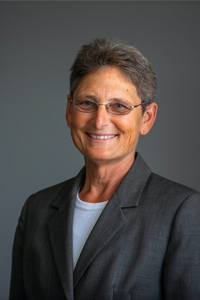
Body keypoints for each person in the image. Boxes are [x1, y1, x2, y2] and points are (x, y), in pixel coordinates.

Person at [9, 38, 200, 300]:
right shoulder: (36, 210)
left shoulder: (182, 211)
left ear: (147, 118)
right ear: (69, 110)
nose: (100, 121)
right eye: (87, 103)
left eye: (119, 106)